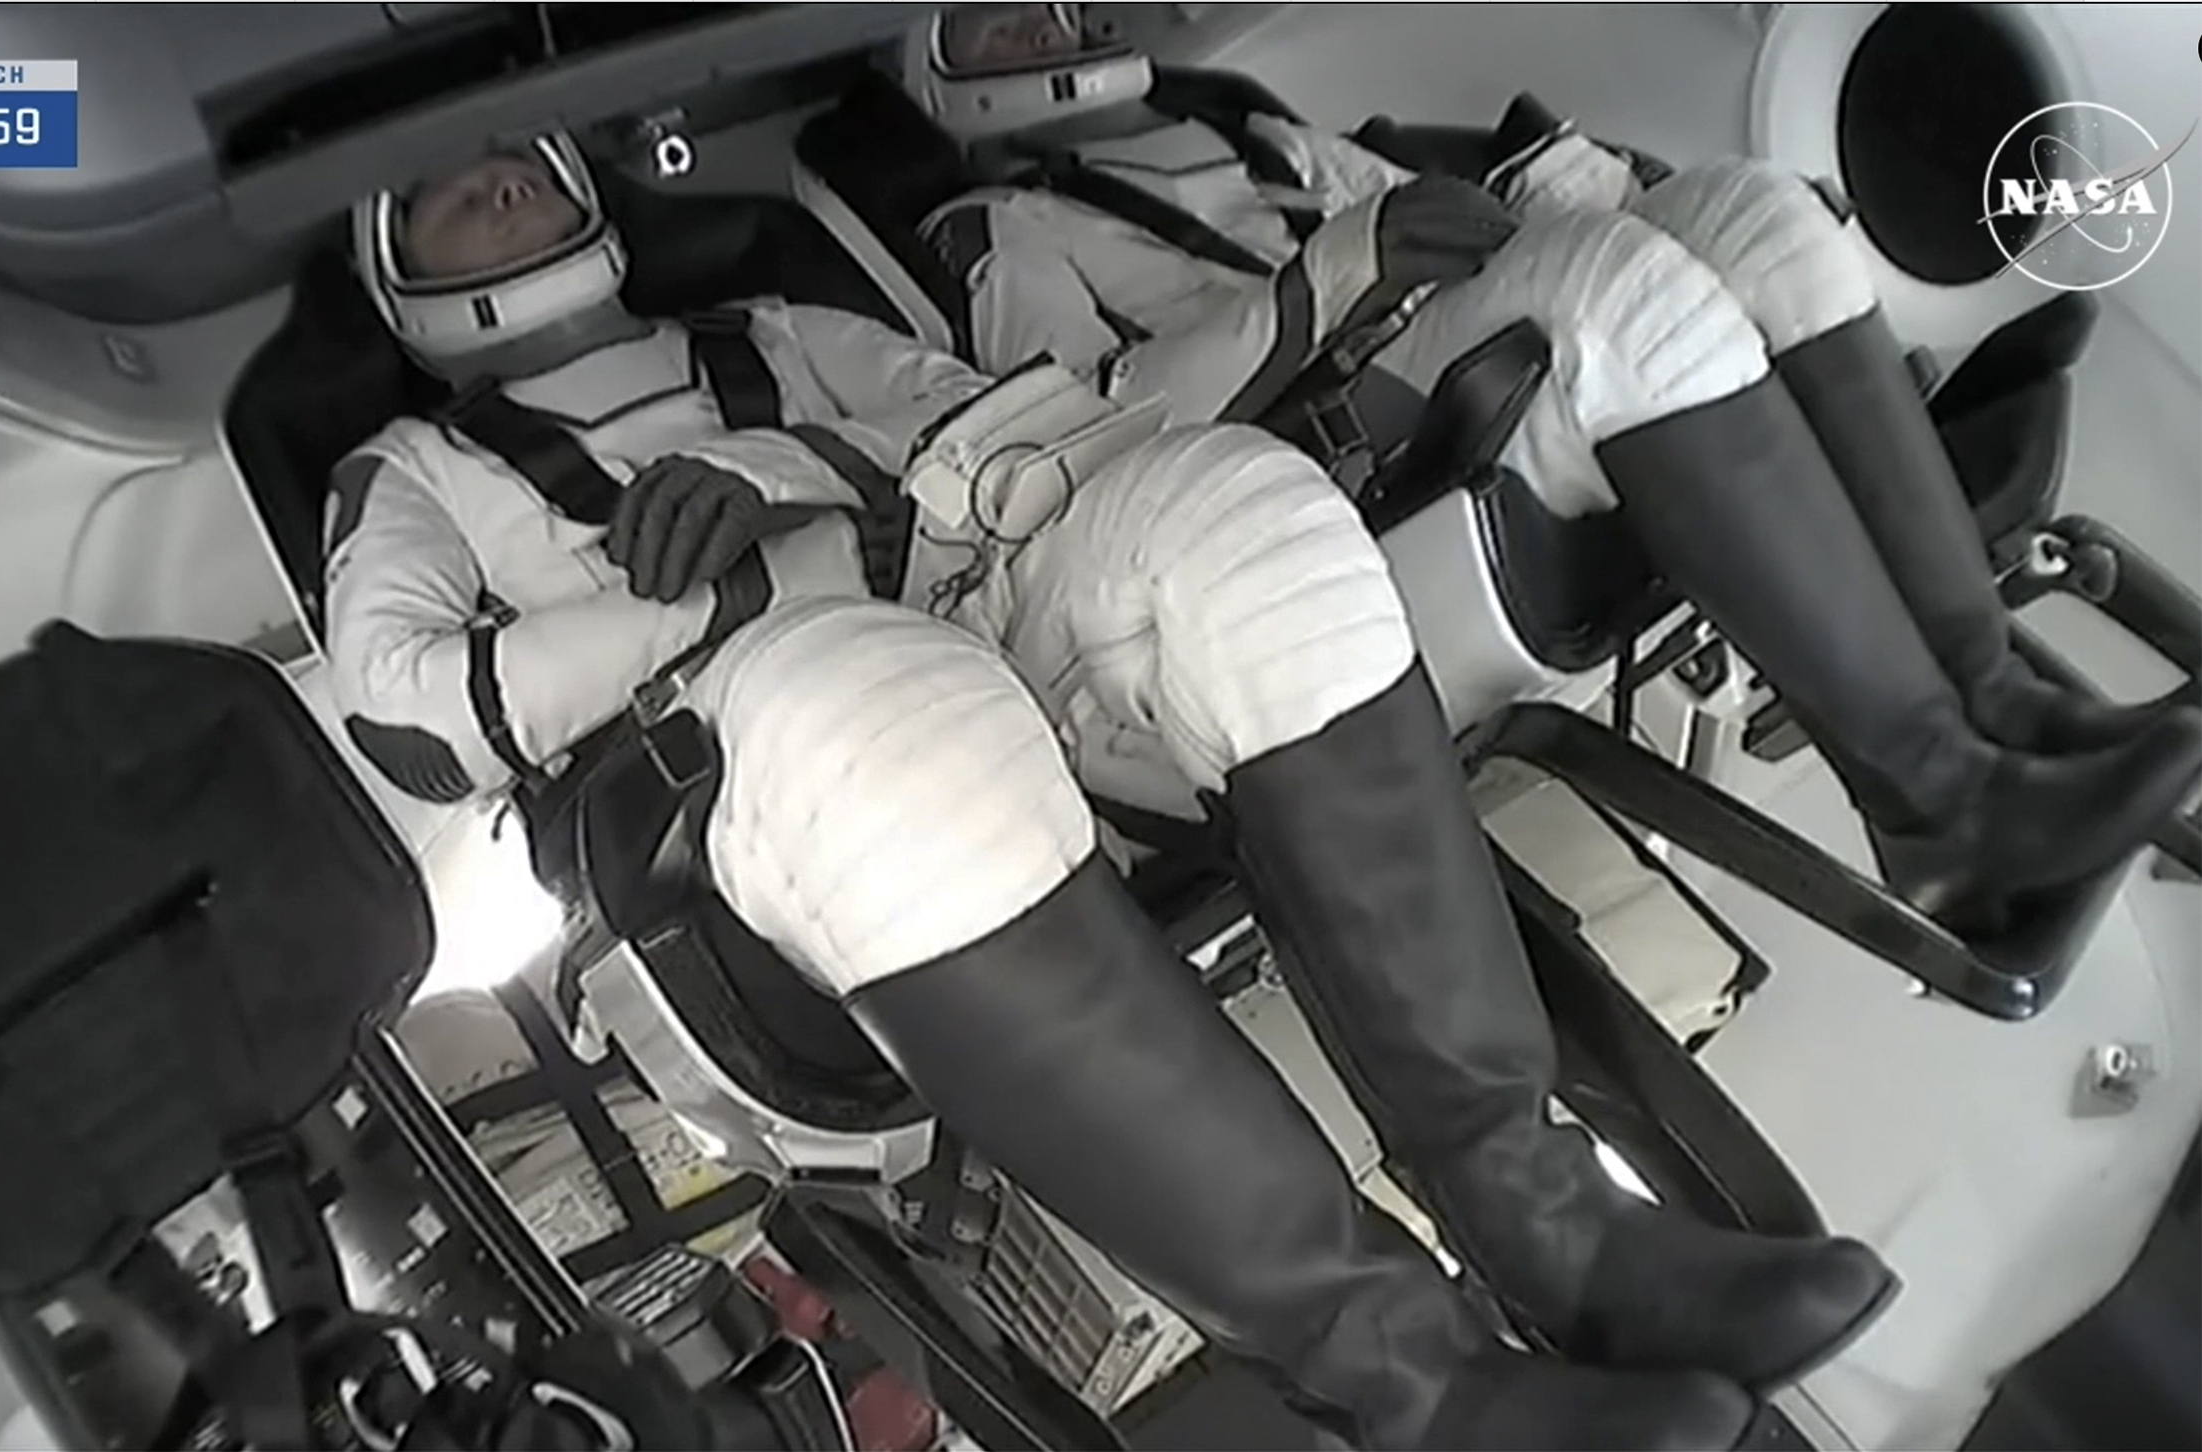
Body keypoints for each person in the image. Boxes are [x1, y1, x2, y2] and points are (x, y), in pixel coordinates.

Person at [322, 133, 1901, 1449]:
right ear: (394, 280)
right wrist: (705, 603)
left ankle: (1557, 1224)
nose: (497, 180)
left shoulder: (779, 334)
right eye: (447, 189)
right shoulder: (415, 475)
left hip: (968, 607)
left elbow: (998, 430)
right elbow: (407, 723)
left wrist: (819, 478)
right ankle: (1430, 1390)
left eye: (514, 158)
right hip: (738, 780)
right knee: (874, 704)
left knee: (1244, 512)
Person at [901, 2, 2202, 939]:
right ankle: (1943, 795)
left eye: (1048, 9)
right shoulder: (1001, 232)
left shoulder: (1242, 129)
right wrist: (1334, 273)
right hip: (1310, 475)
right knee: (1612, 297)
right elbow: (1094, 450)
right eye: (999, 28)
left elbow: (1438, 217)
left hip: (1425, 359)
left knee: (1757, 207)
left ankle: (1993, 705)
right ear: (941, 76)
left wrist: (1568, 194)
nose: (1047, 31)